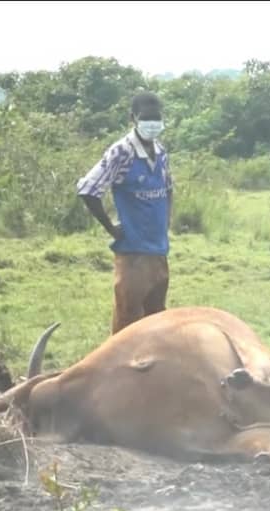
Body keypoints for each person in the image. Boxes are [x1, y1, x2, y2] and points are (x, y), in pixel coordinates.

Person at [76, 91, 174, 335]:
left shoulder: (161, 152)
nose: (152, 124)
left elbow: (168, 189)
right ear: (133, 118)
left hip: (158, 250)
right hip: (133, 254)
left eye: (156, 118)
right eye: (146, 118)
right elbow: (88, 189)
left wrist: (166, 222)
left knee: (156, 320)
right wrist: (111, 227)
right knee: (127, 324)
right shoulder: (122, 152)